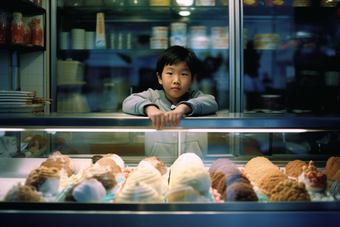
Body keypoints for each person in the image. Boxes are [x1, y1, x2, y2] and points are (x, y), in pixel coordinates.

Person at [122, 45, 218, 158]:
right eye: (170, 73)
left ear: (192, 79)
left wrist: (183, 108)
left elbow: (211, 102)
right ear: (159, 78)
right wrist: (150, 109)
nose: (176, 80)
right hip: (157, 169)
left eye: (183, 74)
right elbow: (128, 101)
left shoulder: (195, 97)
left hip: (193, 169)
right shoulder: (152, 96)